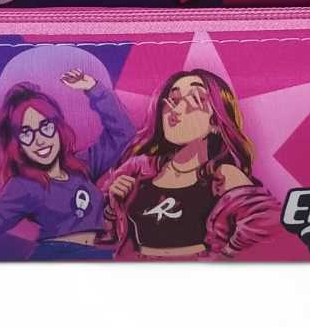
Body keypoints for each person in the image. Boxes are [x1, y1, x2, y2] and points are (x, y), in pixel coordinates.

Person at [0, 69, 133, 260]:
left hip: (95, 255)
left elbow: (123, 132)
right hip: (56, 257)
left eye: (45, 127)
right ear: (18, 144)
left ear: (58, 127)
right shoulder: (24, 186)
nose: (39, 140)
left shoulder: (82, 166)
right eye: (26, 133)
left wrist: (93, 89)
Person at [100, 69, 279, 259]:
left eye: (196, 99)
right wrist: (112, 205)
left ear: (215, 122)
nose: (176, 110)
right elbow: (103, 234)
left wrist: (225, 256)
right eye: (173, 100)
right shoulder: (139, 168)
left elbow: (268, 219)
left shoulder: (222, 176)